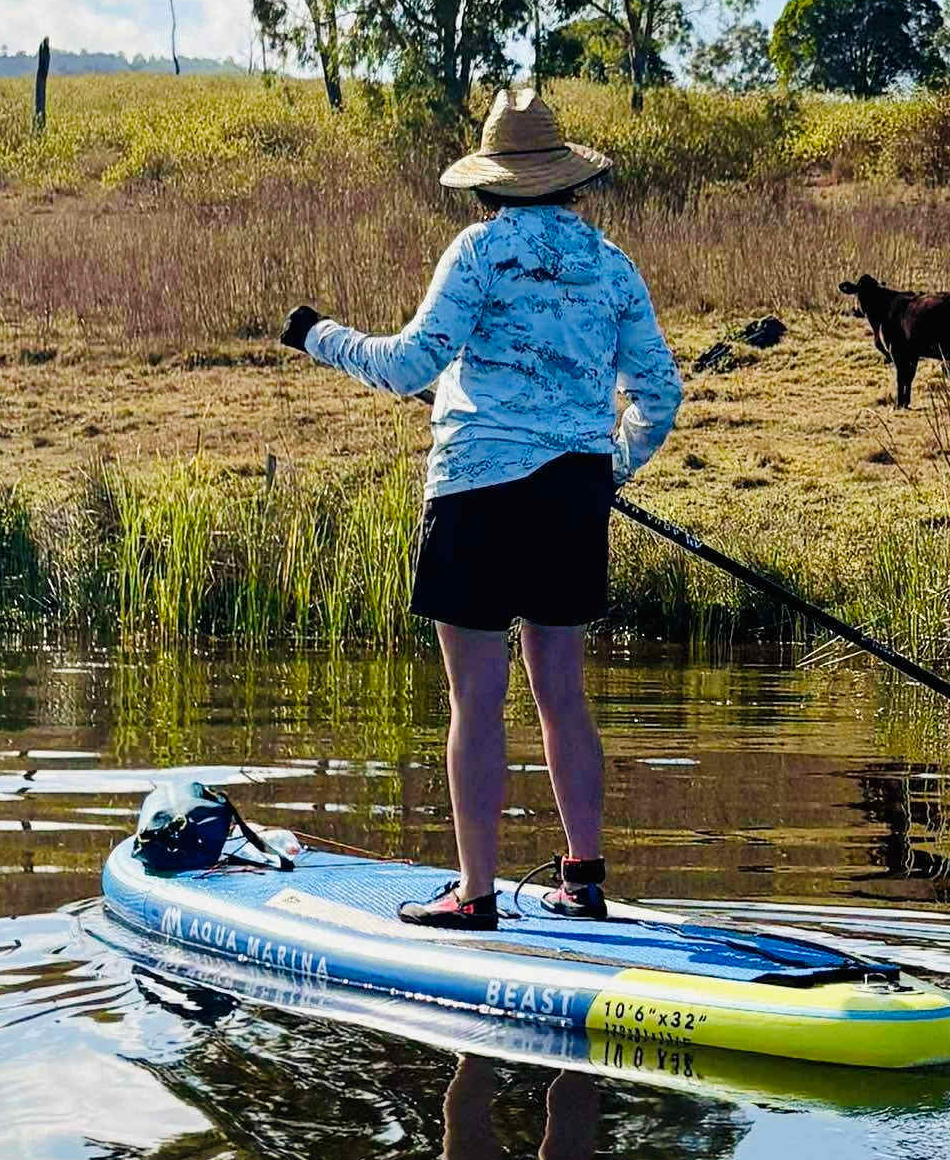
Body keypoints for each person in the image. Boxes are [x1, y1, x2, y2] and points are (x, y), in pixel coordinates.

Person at [283, 89, 681, 929]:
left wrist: (318, 335)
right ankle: (583, 877)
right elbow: (659, 393)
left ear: (490, 185)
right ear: (566, 181)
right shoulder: (612, 266)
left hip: (476, 493)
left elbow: (406, 365)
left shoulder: (479, 251)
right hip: (573, 495)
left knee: (476, 699)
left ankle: (476, 892)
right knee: (563, 695)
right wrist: (610, 468)